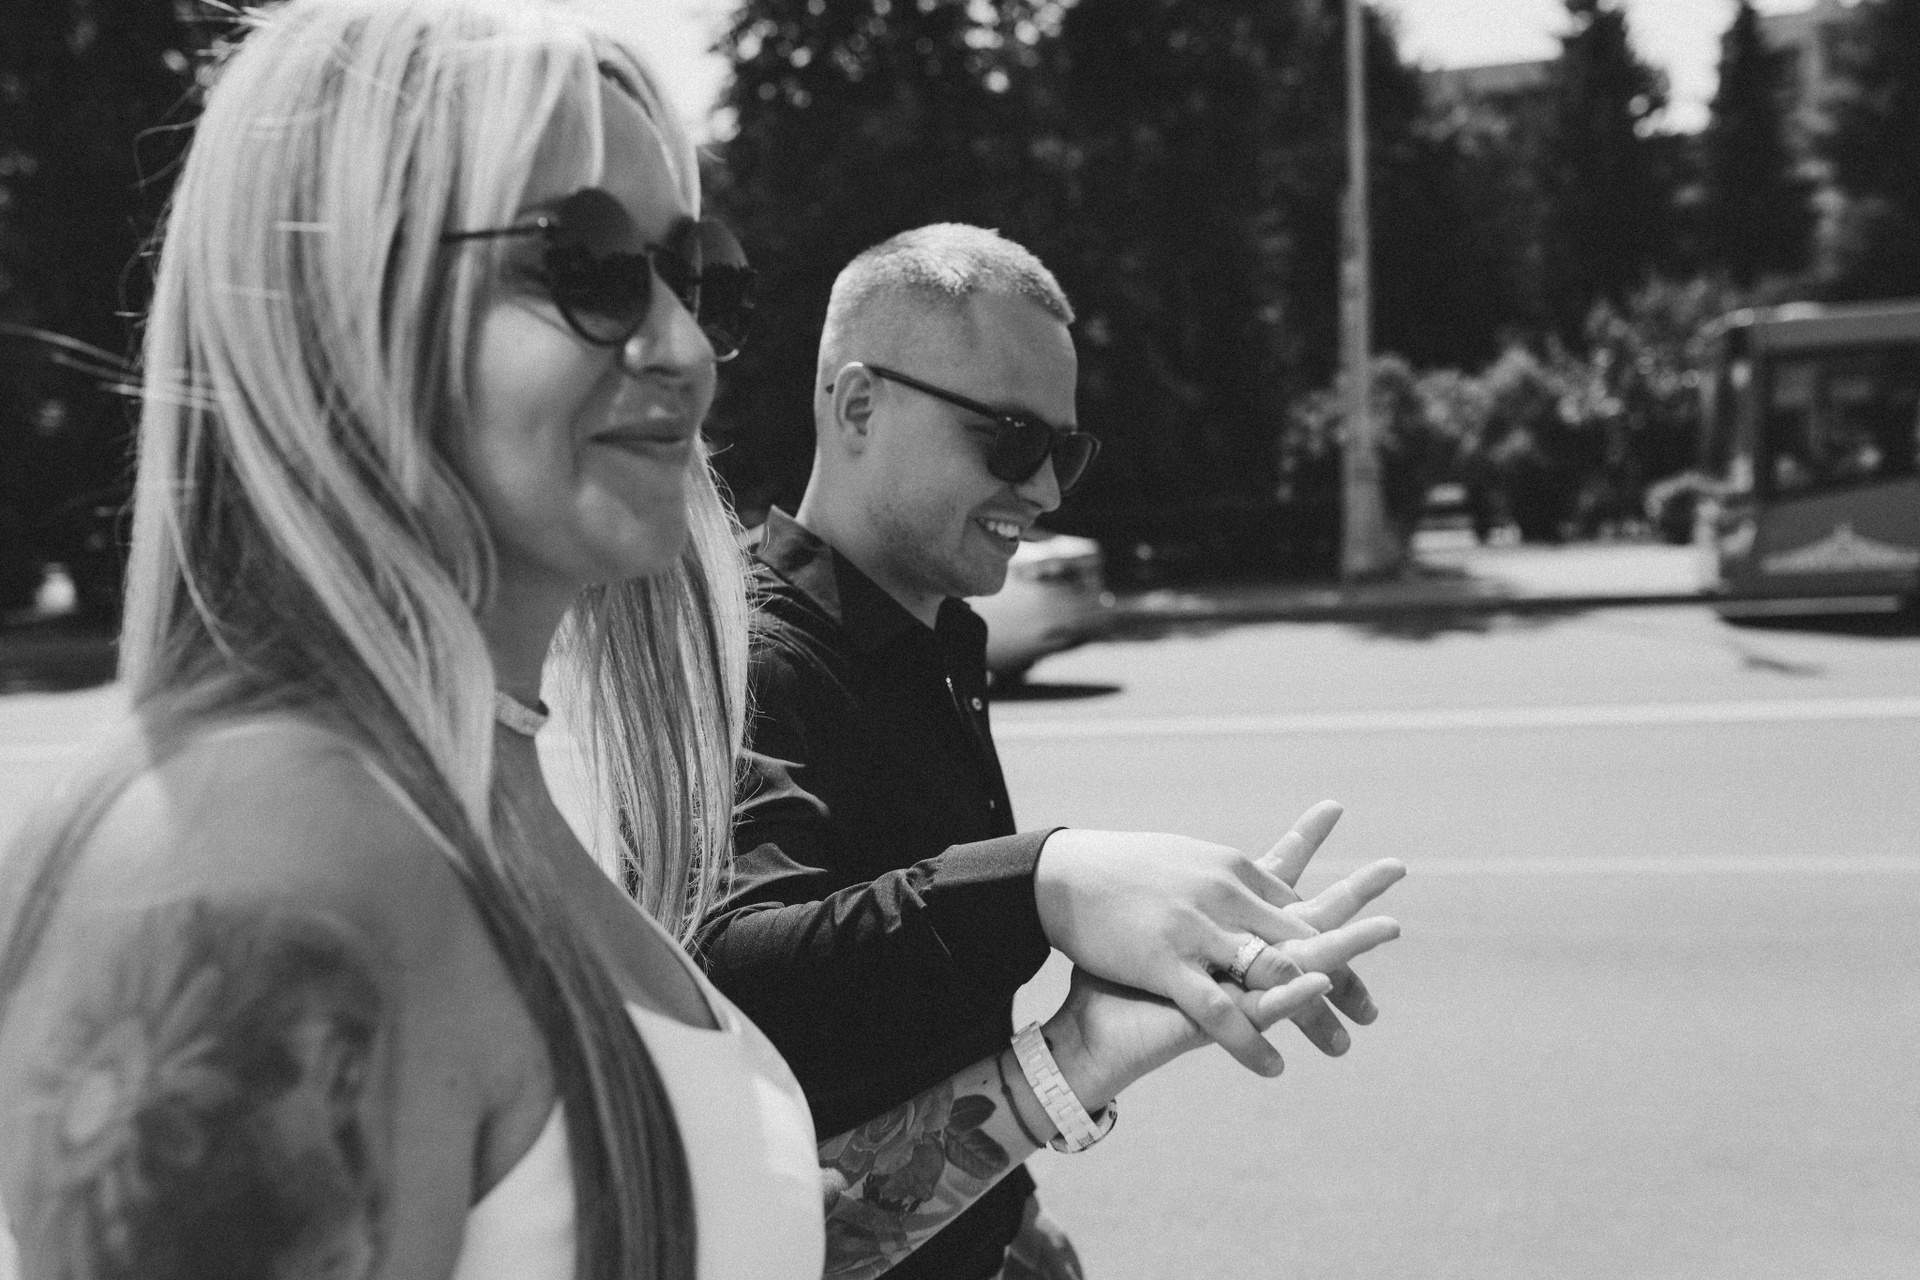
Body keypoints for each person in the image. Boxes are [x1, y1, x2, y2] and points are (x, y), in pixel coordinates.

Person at [0, 3, 1402, 1279]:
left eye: (696, 276)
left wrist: (1073, 1063)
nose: (683, 344)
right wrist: (1037, 887)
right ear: (340, 300)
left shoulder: (451, 792)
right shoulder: (259, 868)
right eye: (588, 264)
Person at [700, 225, 1394, 1279]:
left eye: (1065, 452)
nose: (1048, 491)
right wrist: (1041, 882)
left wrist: (1016, 1216)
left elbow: (925, 1030)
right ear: (858, 405)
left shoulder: (932, 643)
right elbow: (732, 979)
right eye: (1013, 438)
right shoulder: (751, 656)